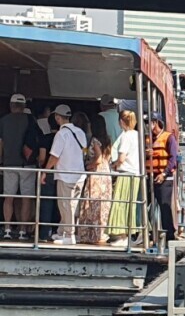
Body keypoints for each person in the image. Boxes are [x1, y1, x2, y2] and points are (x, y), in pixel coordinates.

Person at [42, 104, 87, 245]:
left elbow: (54, 156)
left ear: (57, 117)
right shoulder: (80, 132)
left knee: (65, 205)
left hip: (65, 174)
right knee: (72, 205)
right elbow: (84, 151)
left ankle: (69, 235)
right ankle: (62, 232)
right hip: (79, 174)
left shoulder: (61, 134)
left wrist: (45, 171)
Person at [1, 94, 37, 240]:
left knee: (8, 198)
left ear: (11, 105)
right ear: (24, 107)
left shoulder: (3, 121)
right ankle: (22, 230)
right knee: (26, 198)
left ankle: (7, 228)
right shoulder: (30, 120)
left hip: (9, 163)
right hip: (27, 164)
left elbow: (1, 144)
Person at [78, 115, 113, 245]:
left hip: (96, 175)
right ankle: (100, 233)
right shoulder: (108, 140)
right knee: (102, 206)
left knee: (90, 204)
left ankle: (89, 234)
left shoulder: (95, 140)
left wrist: (89, 165)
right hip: (106, 175)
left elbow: (98, 158)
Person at [108, 110, 142, 246]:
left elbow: (121, 158)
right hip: (136, 174)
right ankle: (134, 233)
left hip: (126, 174)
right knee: (132, 205)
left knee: (120, 205)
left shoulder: (126, 136)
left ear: (122, 122)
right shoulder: (138, 135)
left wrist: (114, 164)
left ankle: (122, 236)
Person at [145, 116, 178, 242]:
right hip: (149, 177)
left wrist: (164, 174)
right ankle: (147, 232)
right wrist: (146, 153)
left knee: (165, 207)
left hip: (164, 178)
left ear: (156, 123)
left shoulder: (169, 137)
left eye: (150, 123)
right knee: (143, 205)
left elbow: (173, 158)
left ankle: (169, 237)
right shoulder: (147, 138)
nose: (148, 126)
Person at [98, 94, 123, 162]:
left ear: (102, 106)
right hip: (121, 155)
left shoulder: (100, 117)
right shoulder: (121, 117)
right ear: (114, 105)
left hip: (106, 155)